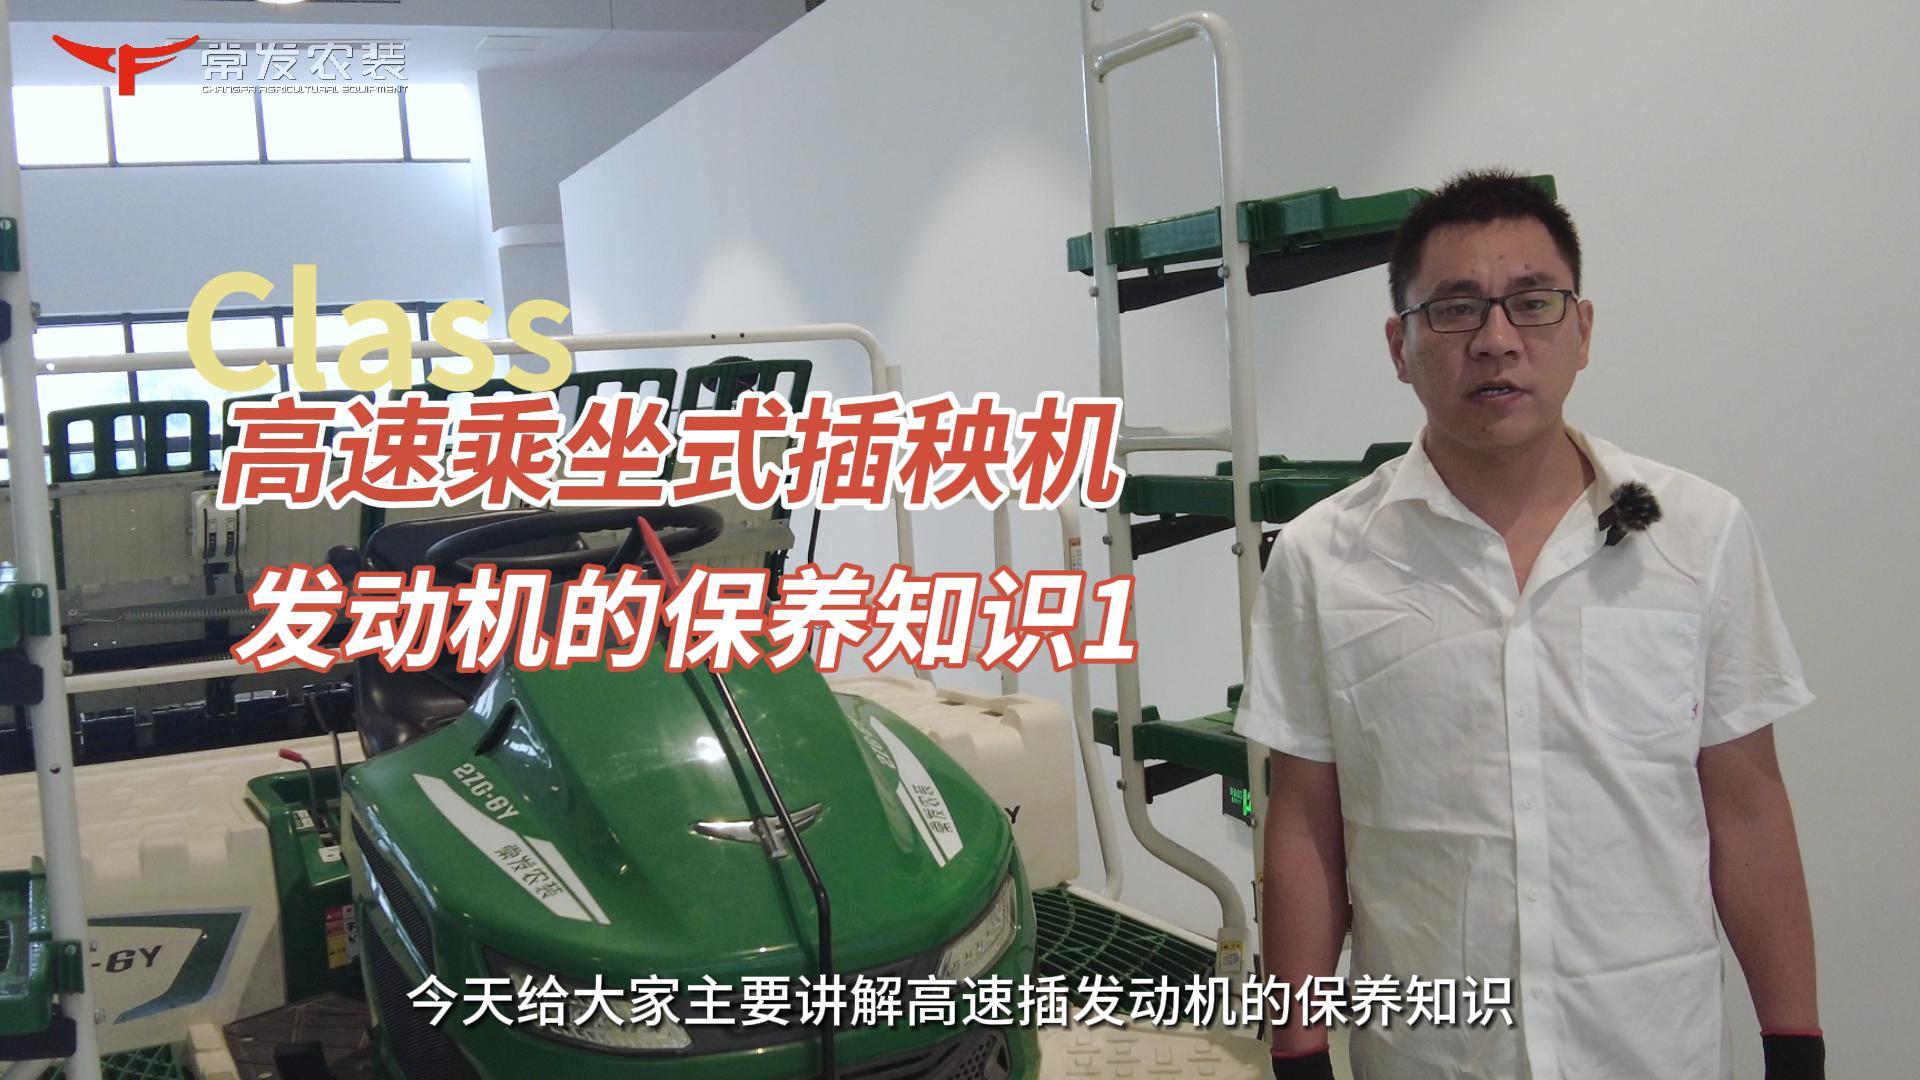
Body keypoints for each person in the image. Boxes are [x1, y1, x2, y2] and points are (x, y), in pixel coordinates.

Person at [1234, 170, 1823, 1079]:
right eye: (1455, 310)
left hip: (1651, 1050)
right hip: (1434, 1056)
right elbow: (1305, 825)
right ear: (1400, 345)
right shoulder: (1323, 558)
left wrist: (1795, 1046)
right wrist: (1298, 1049)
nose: (1497, 340)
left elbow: (1745, 809)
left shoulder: (1696, 535)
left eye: (1533, 303)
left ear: (1582, 330)